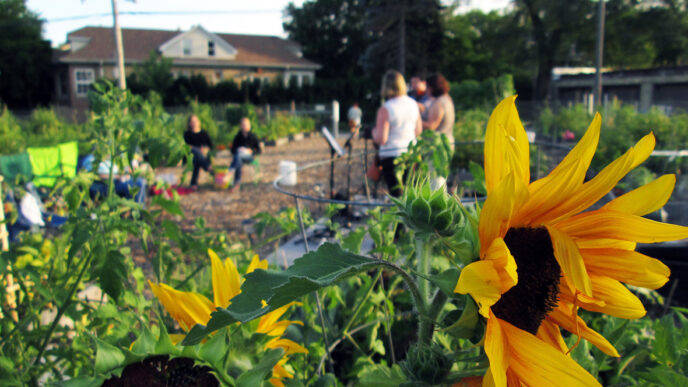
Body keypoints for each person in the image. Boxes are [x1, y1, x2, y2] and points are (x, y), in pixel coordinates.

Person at [373, 70, 422, 197]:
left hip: (392, 156)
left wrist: (372, 132)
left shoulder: (386, 108)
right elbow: (418, 131)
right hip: (411, 153)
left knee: (397, 196)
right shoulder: (413, 104)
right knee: (411, 194)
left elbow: (381, 138)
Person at [230, 117, 261, 193]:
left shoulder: (253, 136)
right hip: (240, 158)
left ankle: (231, 170)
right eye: (243, 125)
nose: (245, 126)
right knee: (239, 158)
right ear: (241, 126)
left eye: (246, 124)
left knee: (238, 157)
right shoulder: (238, 137)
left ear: (249, 126)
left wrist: (251, 151)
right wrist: (238, 149)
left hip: (249, 157)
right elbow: (232, 150)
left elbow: (259, 150)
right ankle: (237, 183)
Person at [423, 73, 455, 144]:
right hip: (448, 141)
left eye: (427, 87)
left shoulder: (438, 103)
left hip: (438, 146)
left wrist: (416, 121)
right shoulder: (447, 98)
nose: (426, 90)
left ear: (432, 87)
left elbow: (432, 126)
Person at [184, 114, 214, 188]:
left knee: (197, 159)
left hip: (203, 156)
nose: (194, 123)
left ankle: (193, 183)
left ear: (199, 122)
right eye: (192, 121)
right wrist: (196, 149)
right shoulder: (187, 134)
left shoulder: (204, 133)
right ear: (189, 123)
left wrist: (205, 149)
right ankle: (208, 167)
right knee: (195, 151)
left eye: (195, 121)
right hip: (191, 156)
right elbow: (186, 147)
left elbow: (210, 146)